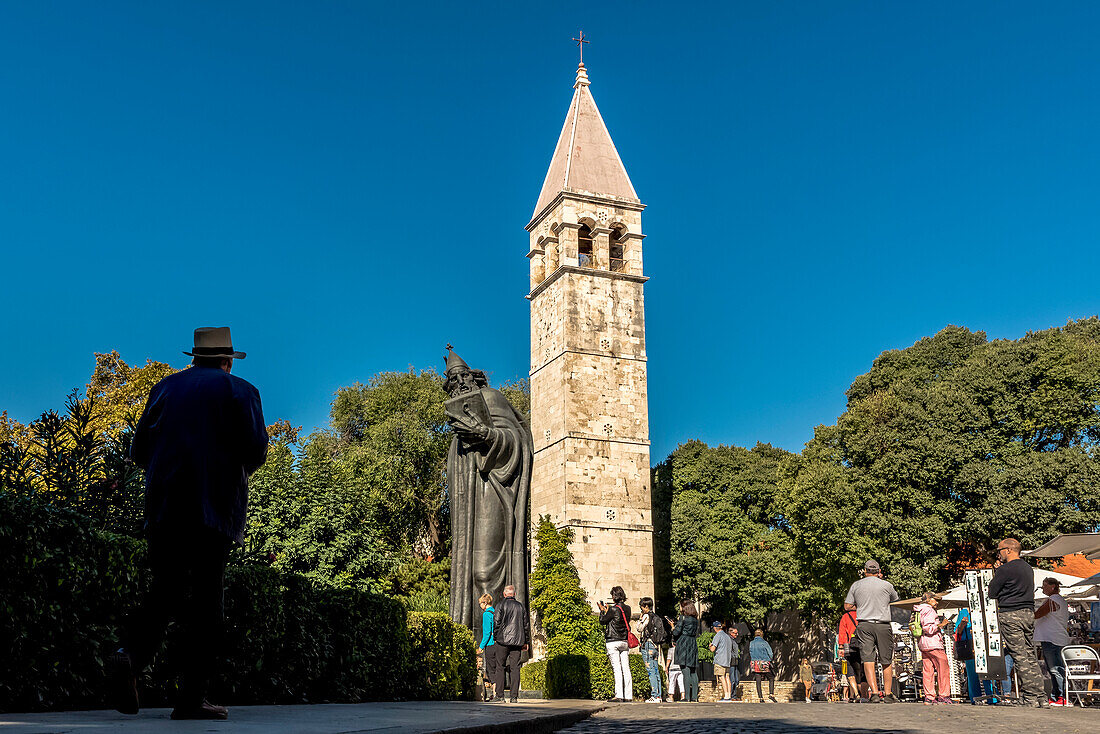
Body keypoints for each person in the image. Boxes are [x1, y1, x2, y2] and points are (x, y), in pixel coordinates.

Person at [108, 327, 268, 721]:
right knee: (207, 606)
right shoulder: (241, 391)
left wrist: (167, 475)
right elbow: (256, 450)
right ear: (227, 361)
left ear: (194, 357)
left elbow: (139, 449)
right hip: (215, 509)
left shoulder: (165, 388)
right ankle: (191, 699)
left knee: (164, 591)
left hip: (165, 508)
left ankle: (129, 656)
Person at [443, 348, 533, 629]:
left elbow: (517, 440)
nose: (458, 384)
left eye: (462, 377)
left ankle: (500, 635)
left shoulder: (492, 398)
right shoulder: (458, 420)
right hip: (470, 499)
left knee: (484, 570)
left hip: (494, 488)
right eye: (452, 382)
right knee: (470, 573)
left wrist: (485, 435)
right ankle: (477, 641)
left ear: (473, 377)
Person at [987, 538, 1048, 708]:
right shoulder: (1027, 568)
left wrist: (997, 572)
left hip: (1010, 613)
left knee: (1019, 656)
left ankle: (1029, 697)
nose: (998, 554)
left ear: (1008, 550)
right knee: (1030, 654)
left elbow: (992, 592)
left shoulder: (1005, 569)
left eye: (999, 550)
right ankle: (1041, 696)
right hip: (1028, 613)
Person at [844, 560, 900, 703]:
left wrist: (861, 606)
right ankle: (888, 694)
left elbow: (847, 606)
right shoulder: (886, 585)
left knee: (868, 659)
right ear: (879, 571)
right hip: (883, 624)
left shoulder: (856, 585)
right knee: (886, 659)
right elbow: (894, 599)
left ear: (865, 570)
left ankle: (874, 693)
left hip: (864, 624)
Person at [1034, 577, 1070, 706]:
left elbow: (1037, 614)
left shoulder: (1053, 600)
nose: (1043, 588)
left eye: (1045, 586)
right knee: (1056, 668)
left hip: (1052, 639)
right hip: (1056, 638)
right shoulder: (1060, 600)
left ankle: (1059, 697)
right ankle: (1059, 696)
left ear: (1052, 586)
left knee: (1055, 668)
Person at [913, 592, 953, 704]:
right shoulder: (929, 610)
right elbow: (929, 628)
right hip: (933, 643)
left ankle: (929, 696)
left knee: (927, 670)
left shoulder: (918, 610)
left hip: (923, 644)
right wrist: (941, 624)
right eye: (935, 600)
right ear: (928, 600)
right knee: (943, 669)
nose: (936, 603)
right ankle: (944, 695)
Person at [491, 584, 529, 703]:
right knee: (515, 668)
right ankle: (514, 697)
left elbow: (496, 622)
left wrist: (496, 637)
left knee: (500, 667)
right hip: (517, 642)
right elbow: (526, 625)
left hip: (502, 641)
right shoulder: (521, 607)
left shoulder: (500, 605)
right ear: (514, 594)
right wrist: (526, 641)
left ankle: (500, 696)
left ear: (504, 594)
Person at [598, 586, 634, 702]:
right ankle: (628, 696)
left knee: (617, 668)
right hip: (624, 640)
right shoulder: (628, 608)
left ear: (614, 596)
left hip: (613, 640)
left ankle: (619, 695)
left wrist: (602, 611)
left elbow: (603, 621)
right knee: (626, 668)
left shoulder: (613, 609)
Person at [671, 601, 701, 702]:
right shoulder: (695, 619)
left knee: (685, 670)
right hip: (692, 642)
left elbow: (676, 632)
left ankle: (687, 697)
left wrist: (672, 627)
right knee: (693, 671)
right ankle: (695, 697)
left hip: (684, 642)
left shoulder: (682, 617)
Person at [952, 606, 981, 703]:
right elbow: (957, 631)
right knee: (972, 674)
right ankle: (975, 698)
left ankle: (992, 697)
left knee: (987, 673)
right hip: (969, 646)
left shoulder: (983, 609)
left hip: (982, 644)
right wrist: (963, 624)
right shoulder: (964, 612)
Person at [637, 597, 663, 703]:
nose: (641, 609)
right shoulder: (656, 617)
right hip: (655, 646)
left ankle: (654, 695)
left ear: (646, 606)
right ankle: (659, 695)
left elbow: (639, 628)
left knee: (650, 670)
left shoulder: (646, 616)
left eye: (642, 606)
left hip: (648, 645)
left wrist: (640, 619)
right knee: (656, 670)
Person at [838, 604, 864, 701]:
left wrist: (841, 646)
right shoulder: (863, 614)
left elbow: (842, 632)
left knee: (850, 669)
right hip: (863, 645)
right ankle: (864, 695)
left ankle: (856, 693)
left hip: (849, 645)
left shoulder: (845, 617)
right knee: (862, 670)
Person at [709, 621, 735, 702]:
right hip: (727, 660)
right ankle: (729, 695)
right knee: (727, 677)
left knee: (721, 677)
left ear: (714, 628)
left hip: (720, 660)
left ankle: (726, 696)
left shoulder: (718, 635)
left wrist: (710, 646)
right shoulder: (727, 636)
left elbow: (713, 649)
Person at [477, 593, 496, 701]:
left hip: (490, 644)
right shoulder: (495, 612)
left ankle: (495, 693)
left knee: (490, 669)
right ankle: (498, 693)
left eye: (480, 603)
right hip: (498, 644)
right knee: (497, 668)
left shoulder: (486, 614)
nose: (480, 606)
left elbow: (487, 633)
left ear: (485, 603)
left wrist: (481, 647)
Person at [749, 629, 777, 702]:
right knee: (771, 677)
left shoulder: (751, 643)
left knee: (758, 680)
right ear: (762, 634)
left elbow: (751, 652)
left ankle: (760, 698)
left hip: (755, 663)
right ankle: (771, 694)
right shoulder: (765, 643)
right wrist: (769, 660)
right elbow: (770, 653)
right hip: (764, 662)